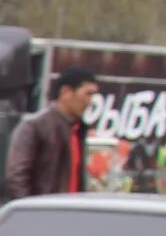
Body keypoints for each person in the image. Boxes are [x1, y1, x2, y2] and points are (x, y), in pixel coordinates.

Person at [7, 69, 99, 198]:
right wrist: (30, 211)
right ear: (66, 92)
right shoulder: (35, 126)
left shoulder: (78, 129)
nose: (90, 102)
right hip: (44, 212)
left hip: (71, 211)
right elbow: (16, 176)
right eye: (87, 94)